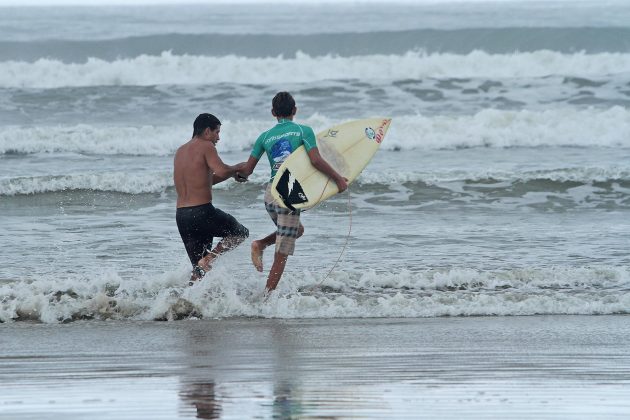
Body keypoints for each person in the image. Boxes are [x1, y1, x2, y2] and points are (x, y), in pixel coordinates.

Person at [237, 92, 348, 294]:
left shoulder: (265, 136)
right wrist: (338, 178)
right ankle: (266, 300)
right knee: (282, 251)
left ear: (273, 113)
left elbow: (246, 171)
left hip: (271, 194)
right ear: (294, 110)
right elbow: (315, 160)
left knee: (296, 232)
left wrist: (232, 174)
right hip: (288, 193)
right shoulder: (303, 130)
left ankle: (260, 244)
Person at [174, 113, 249, 285]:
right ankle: (210, 258)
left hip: (182, 216)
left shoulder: (180, 151)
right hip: (202, 213)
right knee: (240, 233)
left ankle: (187, 302)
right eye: (217, 132)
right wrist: (237, 167)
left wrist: (231, 175)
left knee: (199, 270)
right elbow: (222, 170)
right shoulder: (206, 146)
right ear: (207, 131)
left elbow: (205, 181)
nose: (218, 138)